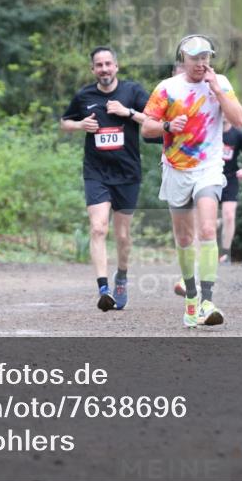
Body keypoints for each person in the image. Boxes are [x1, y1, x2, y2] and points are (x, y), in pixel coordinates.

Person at [142, 35, 242, 327]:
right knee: (185, 239)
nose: (201, 64)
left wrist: (217, 91)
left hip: (209, 169)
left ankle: (208, 302)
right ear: (183, 59)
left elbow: (239, 120)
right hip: (176, 169)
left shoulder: (220, 83)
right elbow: (146, 128)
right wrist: (166, 126)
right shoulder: (167, 88)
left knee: (206, 230)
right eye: (195, 58)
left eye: (206, 58)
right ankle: (190, 297)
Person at [61, 47, 150, 312]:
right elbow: (65, 121)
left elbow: (155, 120)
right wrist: (80, 126)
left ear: (116, 67)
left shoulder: (133, 92)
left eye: (108, 64)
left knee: (123, 236)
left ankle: (121, 276)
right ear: (93, 70)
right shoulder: (84, 95)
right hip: (96, 172)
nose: (104, 69)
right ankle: (103, 289)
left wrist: (128, 112)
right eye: (98, 65)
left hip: (127, 173)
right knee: (99, 228)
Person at [219, 120, 242, 264]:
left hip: (230, 179)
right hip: (208, 178)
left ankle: (225, 254)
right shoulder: (208, 131)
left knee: (228, 215)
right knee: (208, 220)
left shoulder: (238, 135)